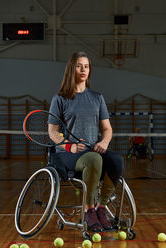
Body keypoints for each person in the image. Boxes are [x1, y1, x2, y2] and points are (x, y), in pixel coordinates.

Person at [48, 51, 124, 232]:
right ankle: (89, 210)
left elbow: (107, 129)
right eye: (79, 66)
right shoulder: (60, 99)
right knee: (94, 159)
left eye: (87, 66)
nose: (83, 69)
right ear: (71, 69)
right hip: (68, 154)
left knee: (117, 160)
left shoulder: (97, 98)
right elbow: (52, 132)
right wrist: (69, 145)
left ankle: (101, 207)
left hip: (92, 150)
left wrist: (104, 142)